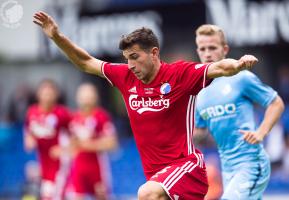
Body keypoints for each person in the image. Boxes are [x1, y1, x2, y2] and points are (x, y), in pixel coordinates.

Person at [33, 11, 259, 199]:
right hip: (157, 176)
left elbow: (218, 67)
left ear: (154, 53)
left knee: (146, 193)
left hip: (186, 169)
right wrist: (57, 37)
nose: (130, 65)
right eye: (126, 58)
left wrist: (238, 64)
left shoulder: (180, 74)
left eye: (135, 57)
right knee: (151, 190)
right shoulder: (124, 77)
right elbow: (85, 62)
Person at [194, 24, 285, 200]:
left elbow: (276, 103)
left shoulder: (241, 78)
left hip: (251, 162)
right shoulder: (200, 91)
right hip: (227, 168)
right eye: (202, 48)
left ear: (224, 49)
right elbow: (199, 132)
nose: (207, 53)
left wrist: (261, 132)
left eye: (212, 47)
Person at [68, 83, 118, 200]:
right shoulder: (73, 118)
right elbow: (70, 145)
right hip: (78, 167)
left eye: (89, 96)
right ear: (77, 98)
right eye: (83, 96)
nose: (86, 100)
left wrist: (86, 145)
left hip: (97, 167)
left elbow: (112, 143)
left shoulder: (101, 116)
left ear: (95, 97)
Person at [24, 79, 71, 200]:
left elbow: (76, 135)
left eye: (50, 93)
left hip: (60, 165)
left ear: (56, 95)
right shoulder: (32, 112)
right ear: (38, 94)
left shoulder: (62, 113)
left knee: (55, 196)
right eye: (44, 93)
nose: (47, 96)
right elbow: (28, 132)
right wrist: (29, 140)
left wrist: (64, 149)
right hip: (43, 164)